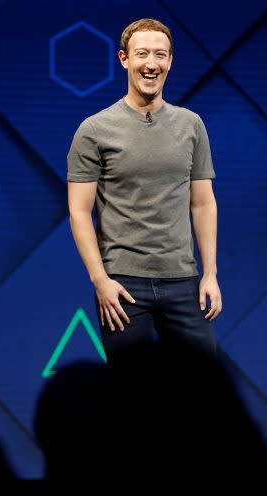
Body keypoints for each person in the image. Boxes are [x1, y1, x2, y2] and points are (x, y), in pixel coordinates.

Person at [67, 18, 221, 366]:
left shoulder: (191, 125)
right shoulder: (94, 130)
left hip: (183, 281)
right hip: (123, 285)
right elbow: (79, 211)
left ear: (170, 61)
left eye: (160, 55)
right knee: (130, 397)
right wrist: (100, 280)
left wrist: (209, 274)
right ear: (124, 59)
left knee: (204, 387)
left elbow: (203, 203)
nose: (151, 63)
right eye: (142, 54)